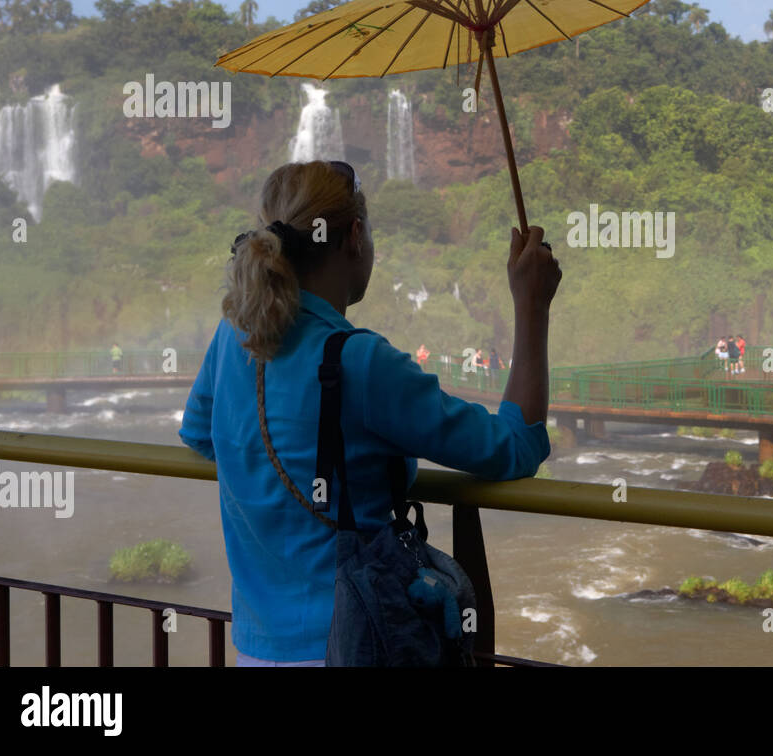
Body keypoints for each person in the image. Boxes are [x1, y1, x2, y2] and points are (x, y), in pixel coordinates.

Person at [177, 161, 561, 666]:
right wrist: (532, 307)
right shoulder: (361, 362)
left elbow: (202, 435)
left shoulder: (234, 337)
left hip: (253, 647)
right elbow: (514, 447)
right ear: (355, 237)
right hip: (356, 644)